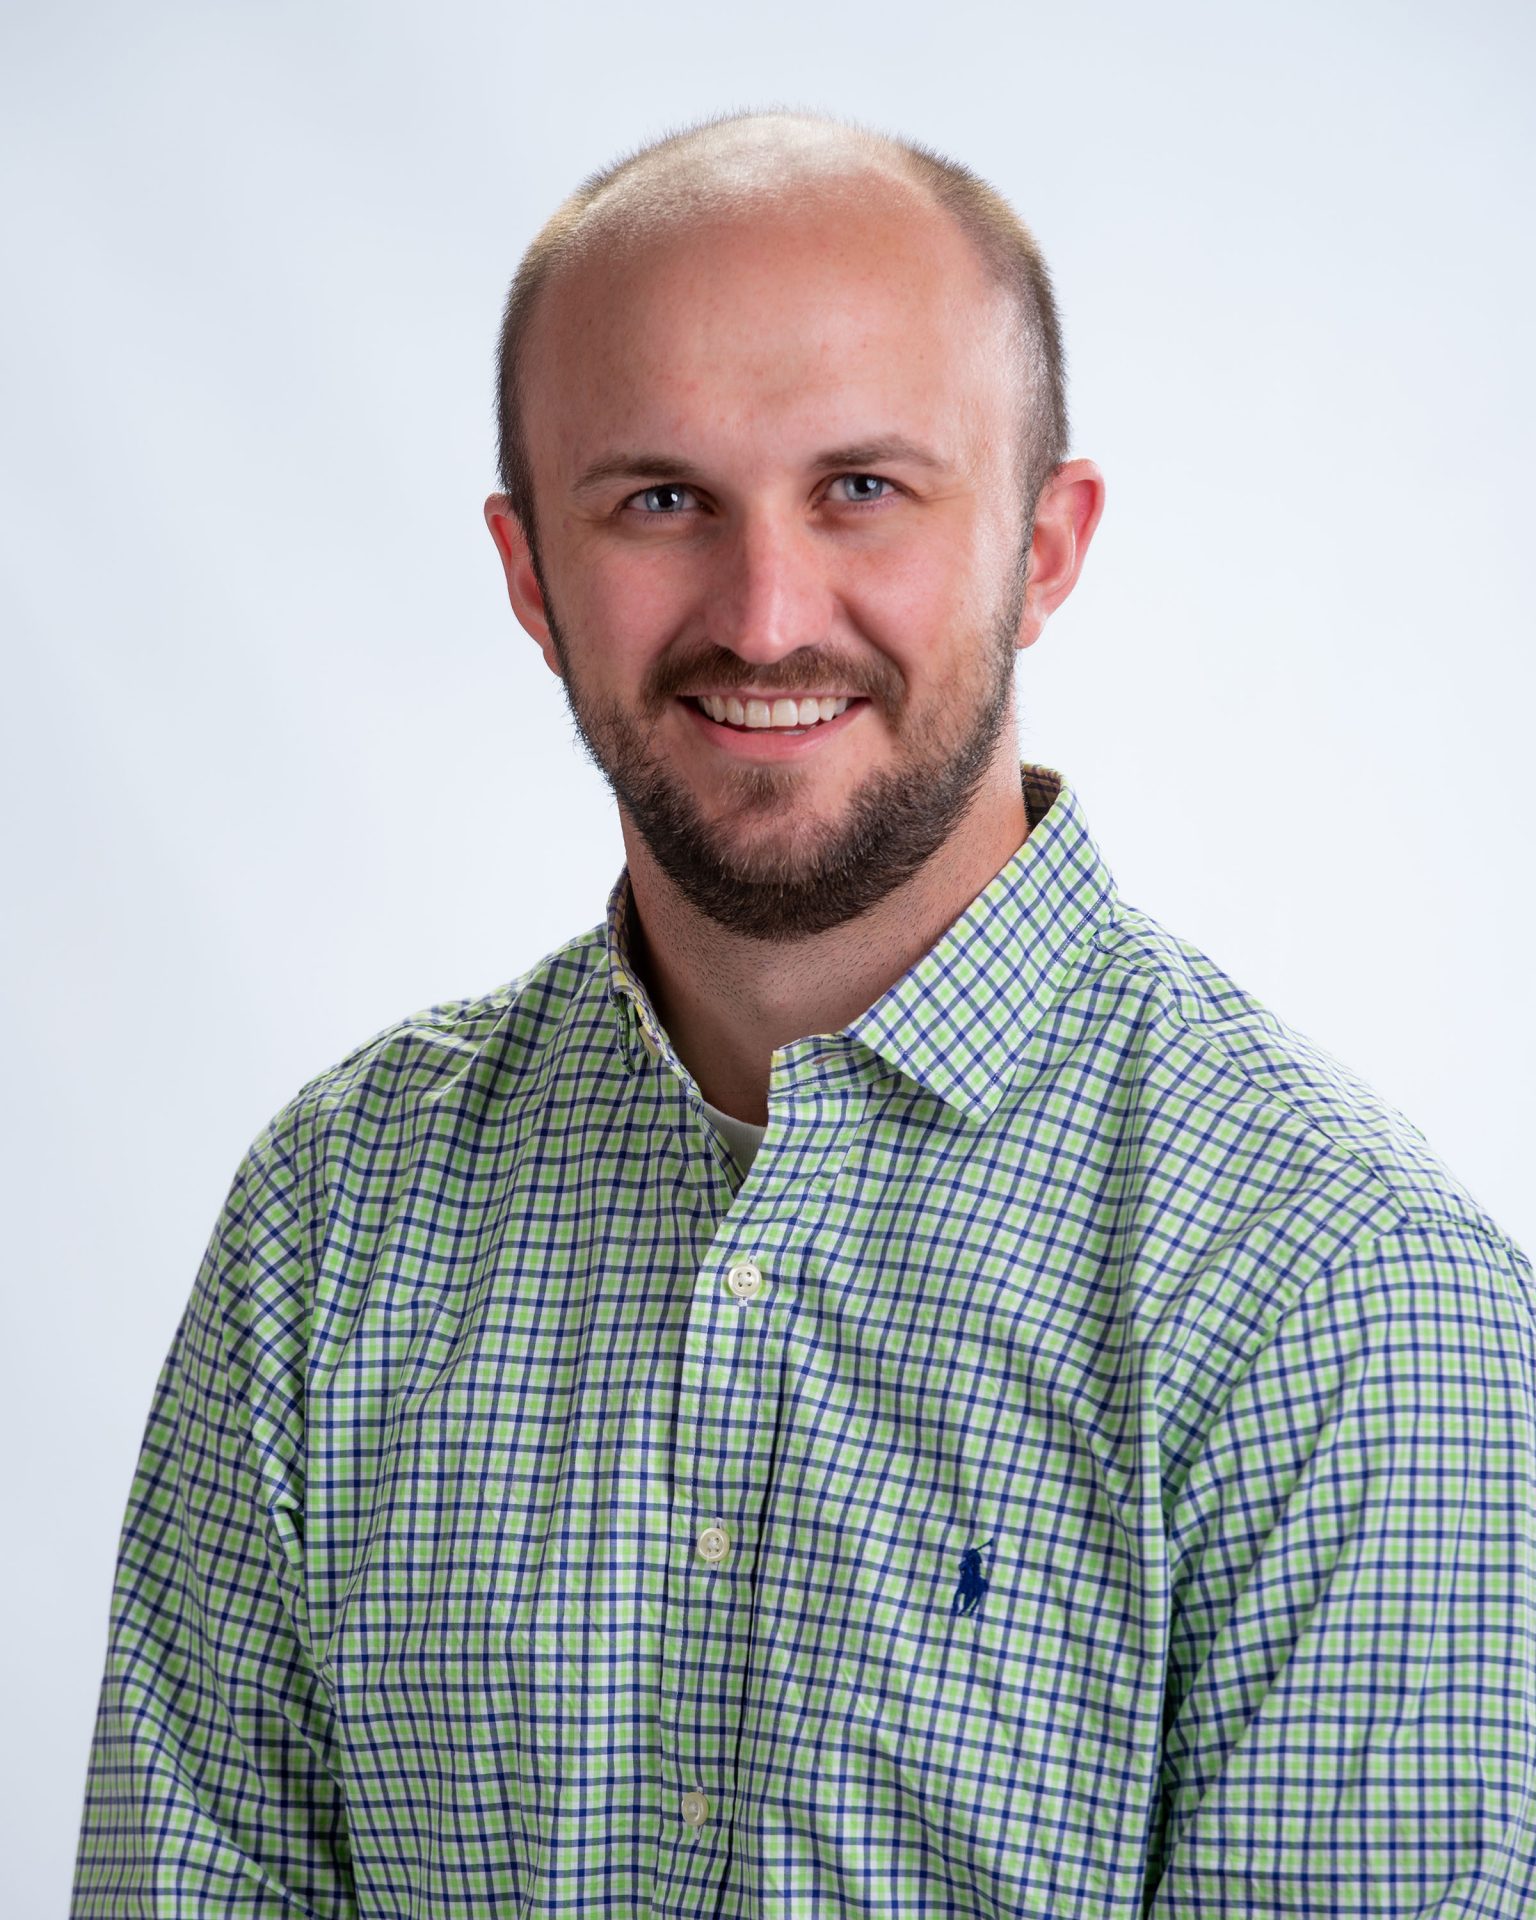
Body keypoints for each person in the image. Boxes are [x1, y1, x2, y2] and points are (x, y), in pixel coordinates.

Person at [72, 108, 1536, 1918]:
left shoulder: (1341, 1295)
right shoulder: (332, 1218)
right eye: (661, 500)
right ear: (532, 574)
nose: (766, 617)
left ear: (1046, 545)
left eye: (864, 488)